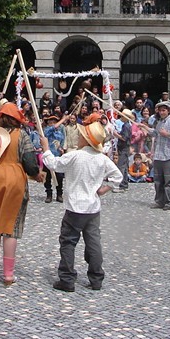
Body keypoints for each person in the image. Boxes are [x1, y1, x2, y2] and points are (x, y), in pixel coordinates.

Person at [42, 119, 123, 292]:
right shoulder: (102, 159)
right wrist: (105, 189)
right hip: (92, 208)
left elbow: (53, 164)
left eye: (81, 135)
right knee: (93, 243)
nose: (78, 137)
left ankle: (67, 279)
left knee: (68, 242)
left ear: (86, 140)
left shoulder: (75, 156)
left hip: (75, 207)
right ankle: (96, 278)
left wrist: (46, 149)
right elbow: (118, 177)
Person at [0, 103, 42, 285]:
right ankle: (8, 275)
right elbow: (29, 162)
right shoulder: (21, 136)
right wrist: (37, 175)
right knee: (10, 227)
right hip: (12, 182)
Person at [143, 101, 170, 210]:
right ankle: (159, 201)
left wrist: (168, 134)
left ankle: (169, 202)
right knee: (158, 181)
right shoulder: (159, 122)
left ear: (168, 111)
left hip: (168, 156)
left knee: (168, 181)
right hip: (158, 155)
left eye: (163, 110)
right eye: (160, 110)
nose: (161, 112)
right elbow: (155, 133)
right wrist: (144, 127)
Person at [43, 114, 67, 203]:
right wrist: (63, 119)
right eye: (51, 121)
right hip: (48, 157)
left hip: (57, 158)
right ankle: (49, 194)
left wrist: (61, 149)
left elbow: (60, 144)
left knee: (59, 177)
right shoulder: (46, 131)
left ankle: (59, 194)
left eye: (54, 121)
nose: (53, 123)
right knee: (47, 178)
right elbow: (53, 128)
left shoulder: (60, 134)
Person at [113, 109, 134, 192]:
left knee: (121, 166)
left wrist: (116, 134)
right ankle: (124, 184)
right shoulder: (128, 125)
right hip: (125, 148)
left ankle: (120, 184)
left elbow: (124, 138)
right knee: (124, 166)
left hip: (124, 147)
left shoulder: (126, 126)